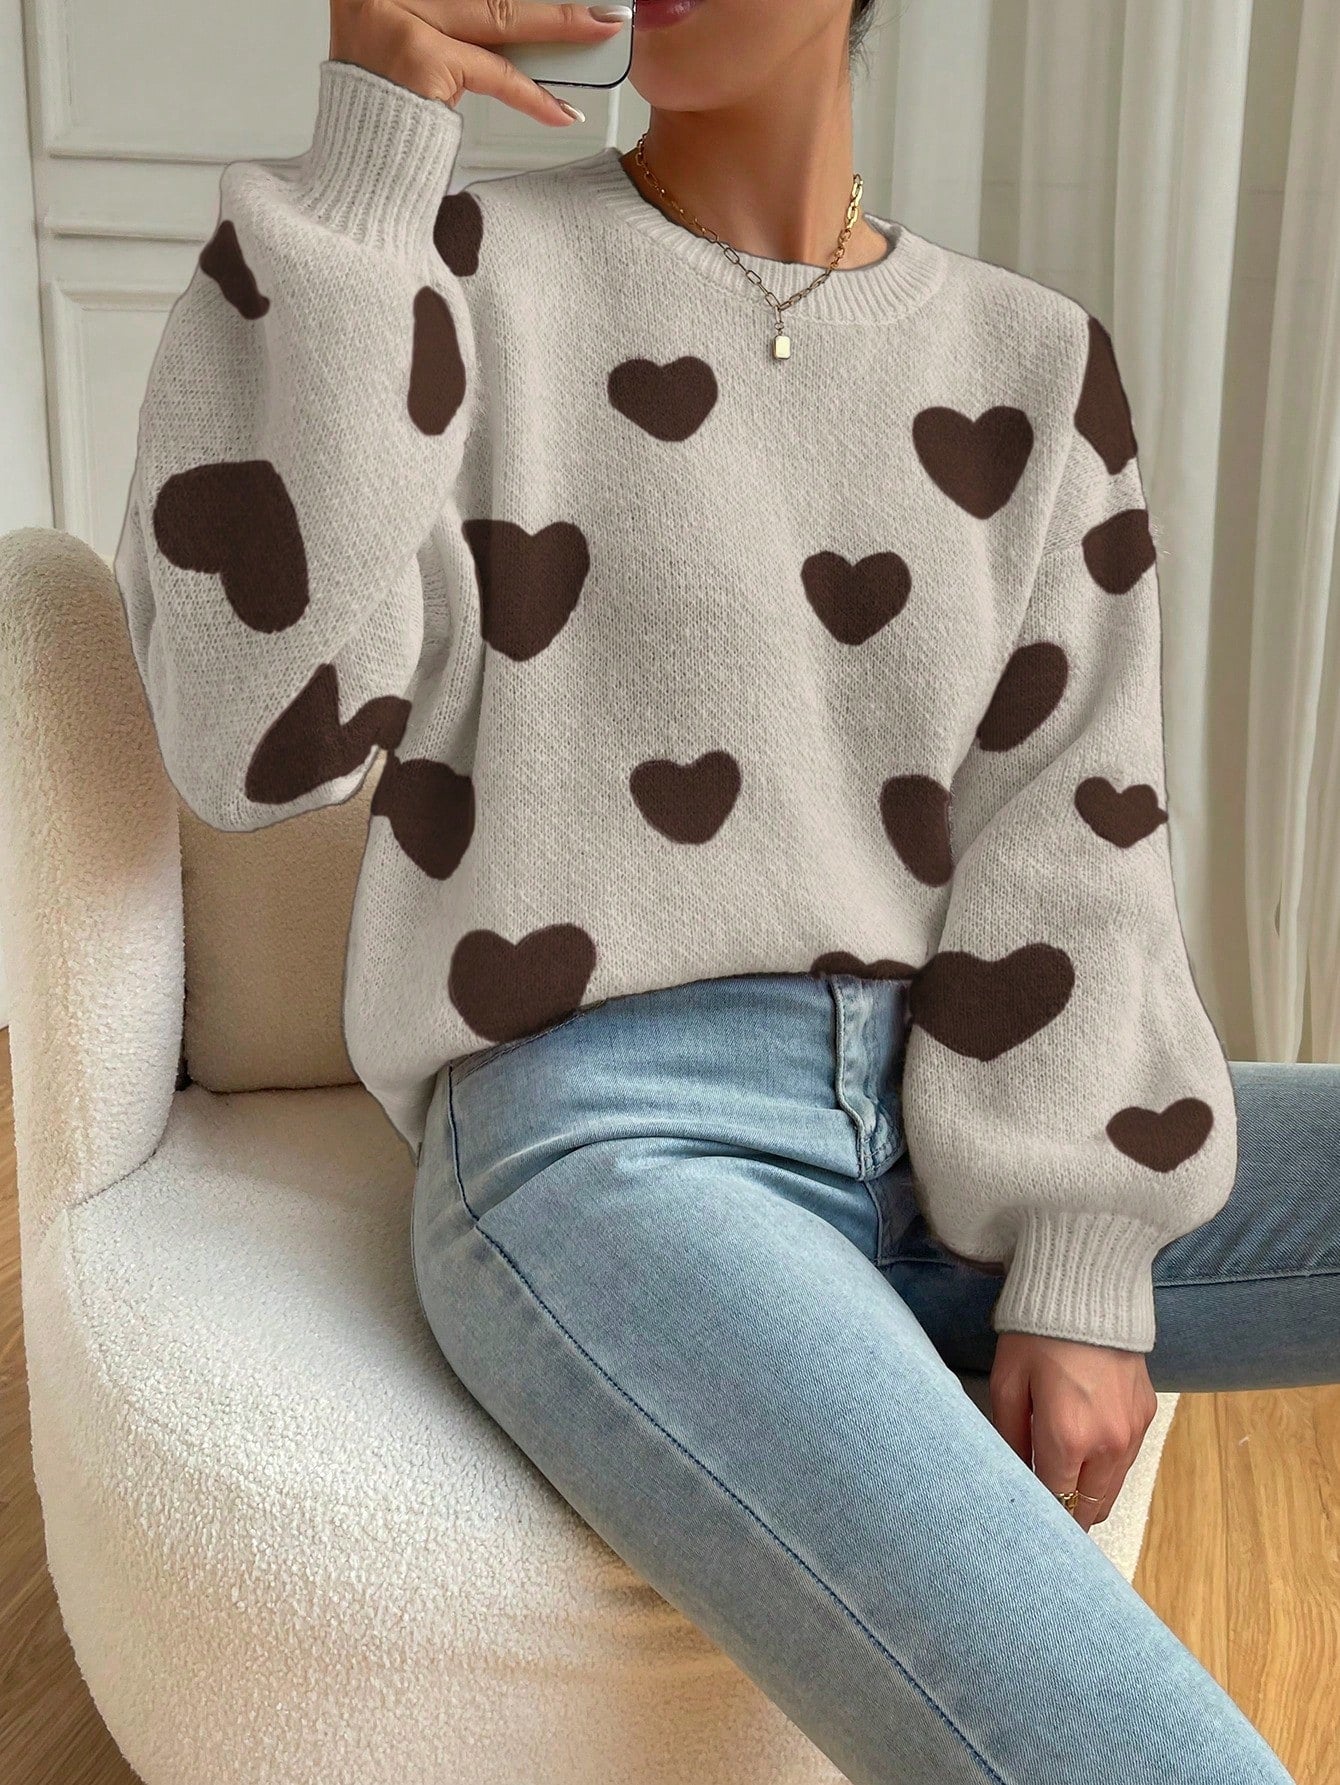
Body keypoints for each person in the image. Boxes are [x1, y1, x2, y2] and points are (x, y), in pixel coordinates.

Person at [112, 1, 1335, 1778]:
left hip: (950, 1111)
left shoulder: (1033, 362)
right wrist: (370, 147)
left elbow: (1074, 832)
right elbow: (250, 735)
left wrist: (1080, 1256)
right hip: (610, 1137)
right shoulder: (443, 266)